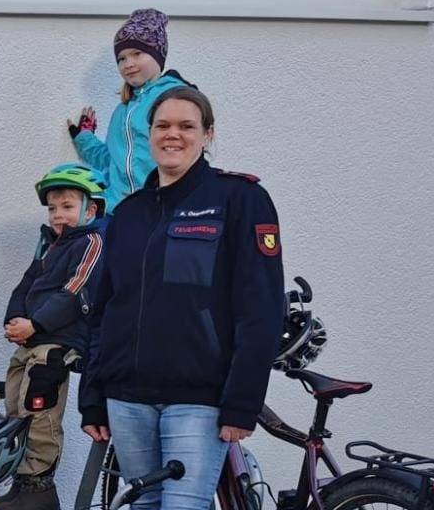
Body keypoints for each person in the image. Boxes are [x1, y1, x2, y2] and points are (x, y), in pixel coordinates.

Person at [78, 87, 285, 510]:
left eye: (187, 126)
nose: (173, 135)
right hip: (127, 398)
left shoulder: (240, 199)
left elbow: (261, 309)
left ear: (207, 135)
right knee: (144, 505)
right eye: (163, 126)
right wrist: (92, 397)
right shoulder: (128, 214)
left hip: (198, 399)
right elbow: (103, 312)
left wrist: (242, 402)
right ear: (150, 134)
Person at [0, 164, 107, 510]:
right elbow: (26, 284)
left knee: (40, 410)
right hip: (32, 340)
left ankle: (39, 485)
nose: (59, 215)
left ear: (91, 209)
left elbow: (74, 292)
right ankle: (21, 481)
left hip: (57, 343)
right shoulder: (49, 246)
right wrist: (14, 318)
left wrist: (36, 324)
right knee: (16, 405)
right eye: (53, 208)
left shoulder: (90, 242)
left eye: (68, 207)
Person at [68, 9, 190, 213]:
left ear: (157, 55)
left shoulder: (173, 98)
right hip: (117, 211)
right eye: (121, 59)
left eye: (137, 54)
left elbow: (188, 154)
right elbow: (111, 160)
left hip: (160, 211)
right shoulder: (121, 111)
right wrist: (84, 138)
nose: (128, 64)